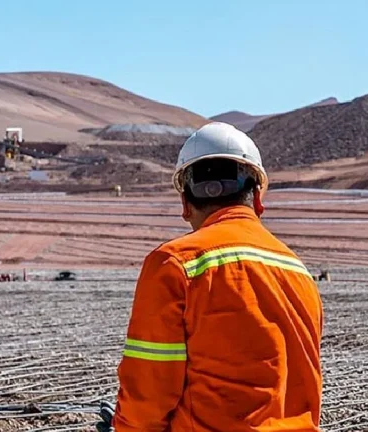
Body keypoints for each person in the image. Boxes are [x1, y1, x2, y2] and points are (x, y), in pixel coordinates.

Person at [98, 121, 324, 432]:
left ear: (185, 204)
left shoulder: (175, 264)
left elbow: (149, 392)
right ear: (258, 197)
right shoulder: (299, 273)